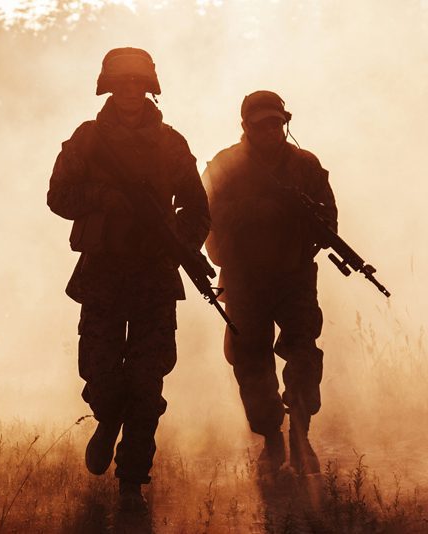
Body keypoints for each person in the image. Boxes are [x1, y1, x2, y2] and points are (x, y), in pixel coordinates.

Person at [47, 47, 210, 512]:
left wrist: (174, 239)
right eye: (122, 84)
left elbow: (198, 208)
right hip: (102, 273)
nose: (131, 92)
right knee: (101, 374)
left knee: (147, 381)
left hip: (154, 277)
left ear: (150, 87)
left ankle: (132, 481)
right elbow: (58, 195)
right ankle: (106, 418)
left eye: (138, 84)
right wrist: (103, 197)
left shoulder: (171, 144)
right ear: (108, 87)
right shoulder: (88, 140)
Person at [203, 91, 338, 476]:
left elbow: (328, 218)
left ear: (285, 122)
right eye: (261, 124)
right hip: (245, 279)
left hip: (293, 276)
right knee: (251, 361)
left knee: (303, 353)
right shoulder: (226, 165)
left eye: (277, 123)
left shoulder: (304, 165)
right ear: (246, 126)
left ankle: (300, 433)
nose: (271, 131)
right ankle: (272, 441)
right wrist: (255, 211)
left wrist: (306, 223)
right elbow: (206, 217)